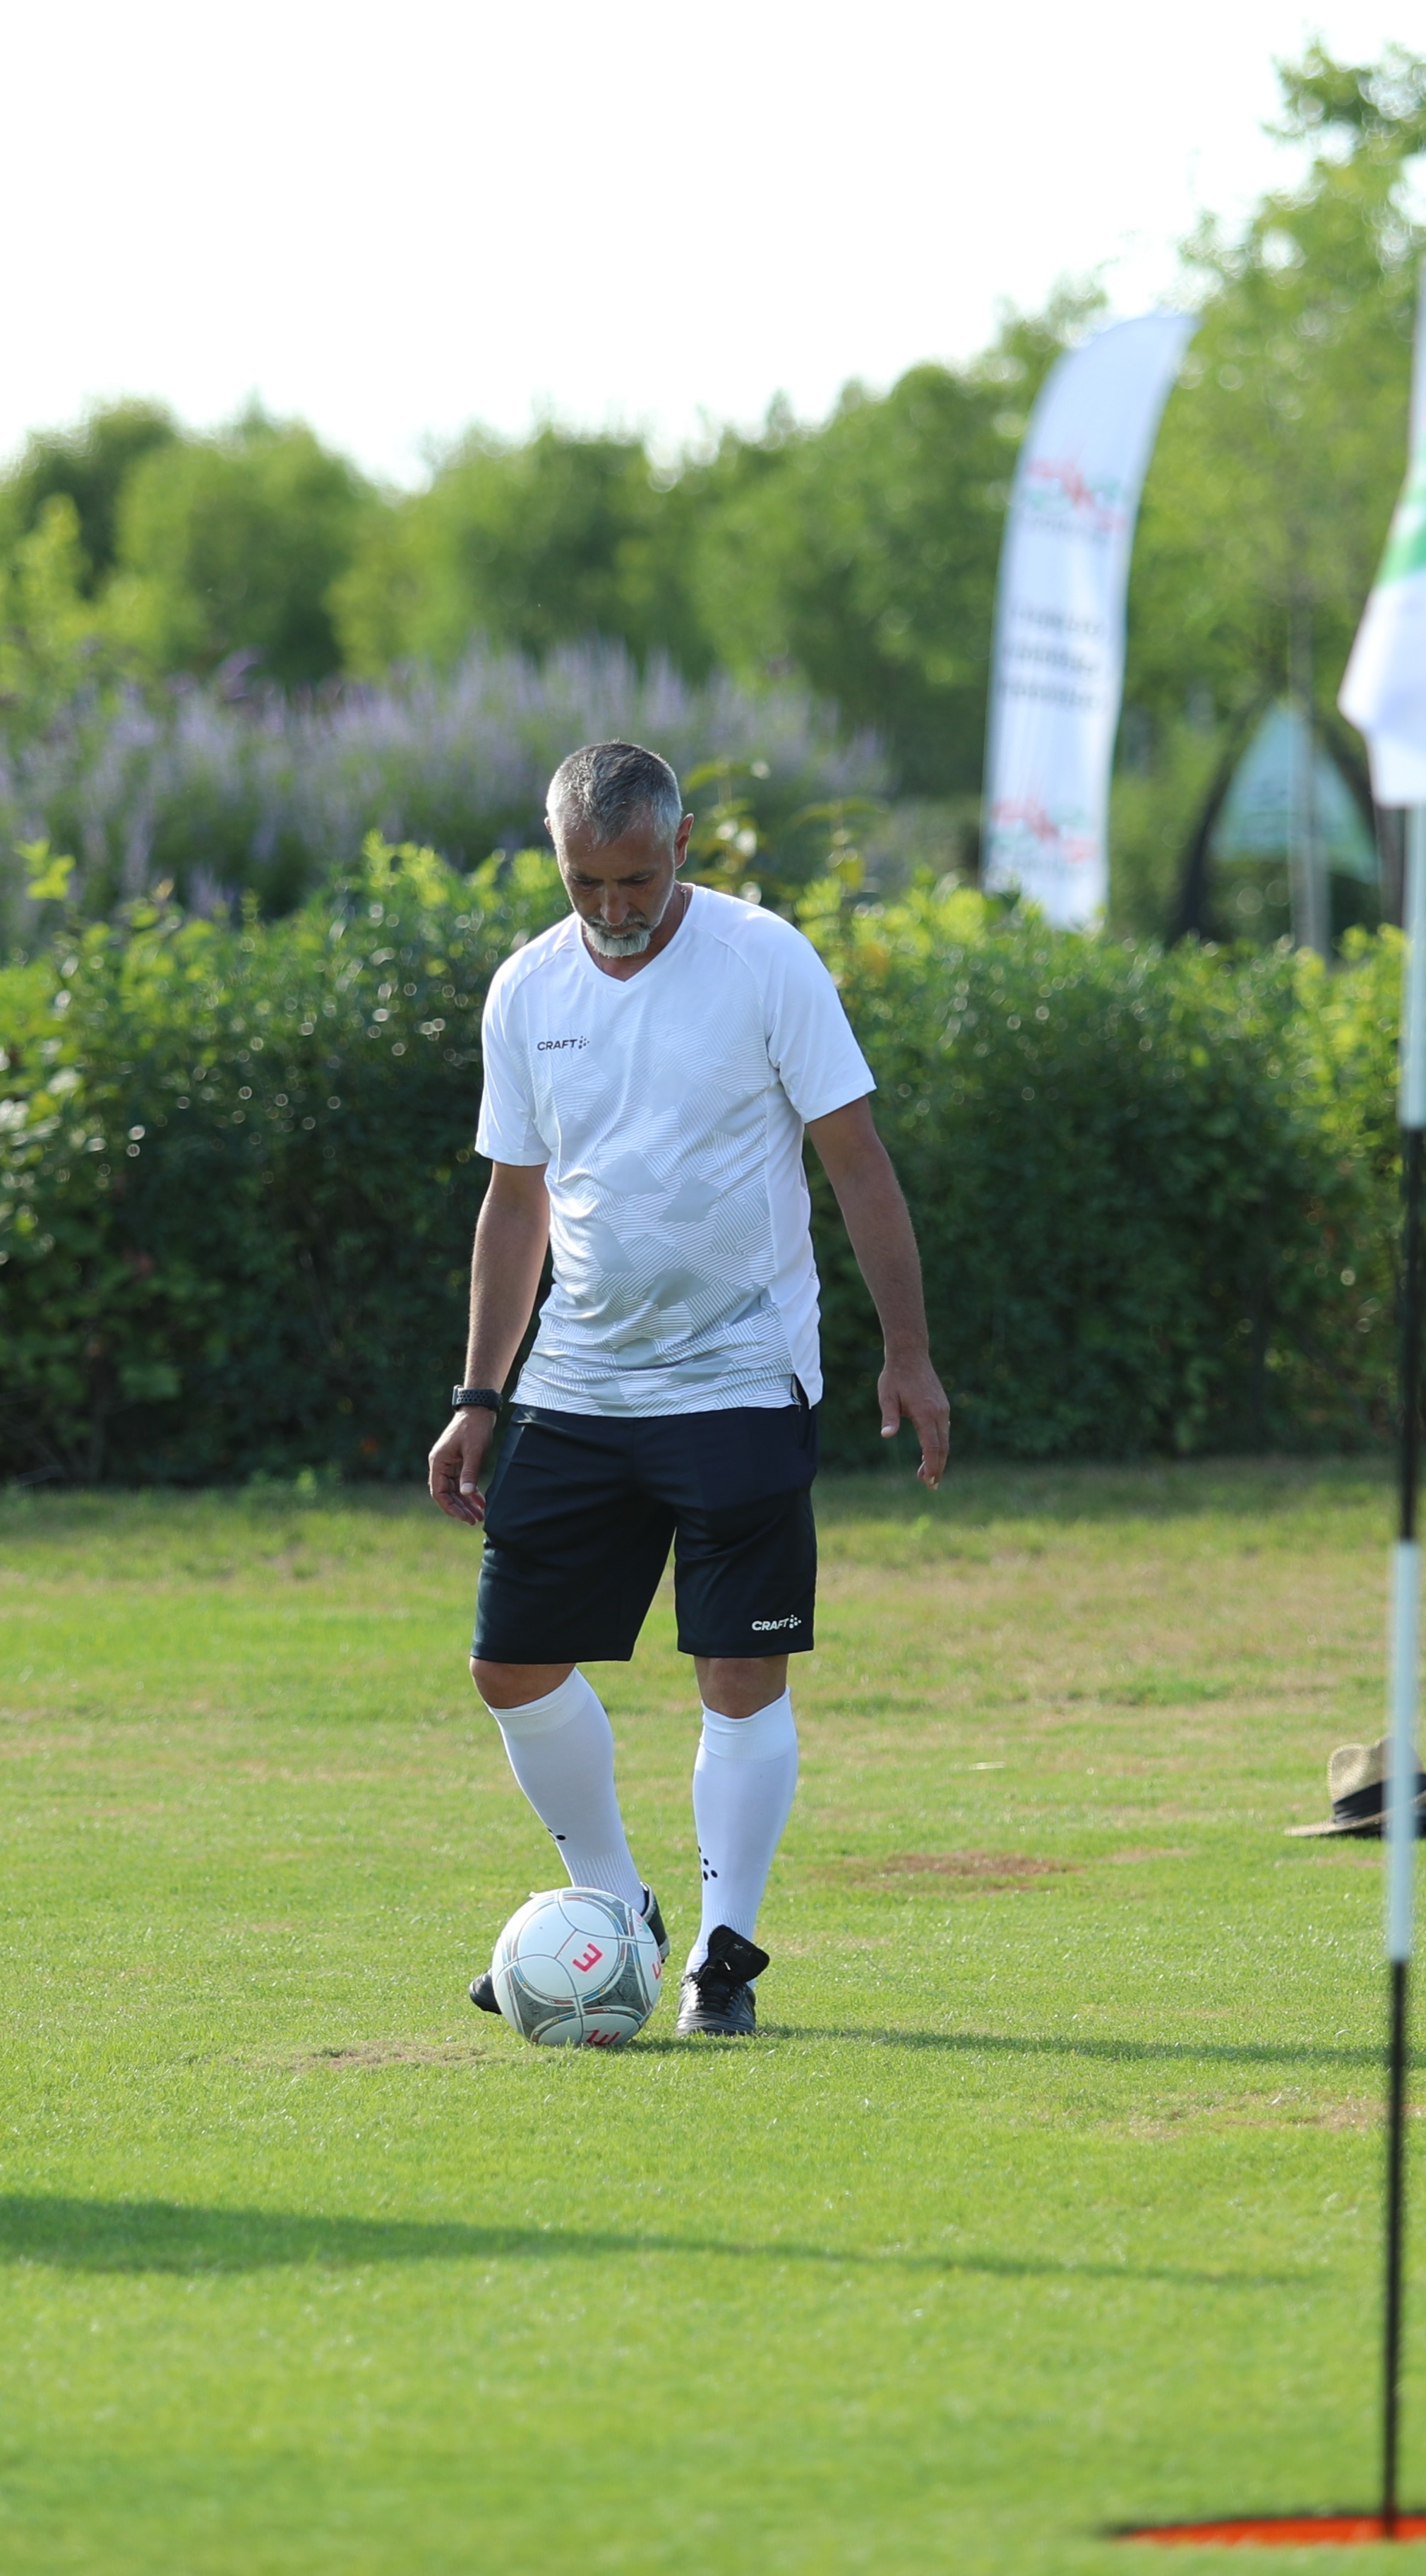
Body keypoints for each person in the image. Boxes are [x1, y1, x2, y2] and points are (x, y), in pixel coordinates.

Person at [427, 741, 949, 2037]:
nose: (613, 907)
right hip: (578, 1385)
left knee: (739, 1671)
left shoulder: (765, 961)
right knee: (509, 1665)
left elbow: (857, 1159)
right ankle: (619, 1913)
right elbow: (514, 1202)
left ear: (683, 845)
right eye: (585, 882)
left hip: (741, 1379)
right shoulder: (525, 988)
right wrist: (479, 1393)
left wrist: (908, 1350)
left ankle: (724, 1953)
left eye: (637, 879)